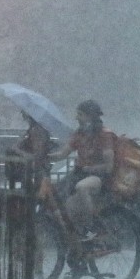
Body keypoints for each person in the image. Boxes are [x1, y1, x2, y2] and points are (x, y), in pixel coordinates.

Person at [49, 99, 115, 238]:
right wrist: (45, 157)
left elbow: (109, 166)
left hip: (99, 177)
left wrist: (90, 168)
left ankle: (92, 228)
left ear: (90, 116)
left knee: (81, 187)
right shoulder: (79, 134)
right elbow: (63, 153)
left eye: (80, 114)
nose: (76, 118)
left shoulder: (104, 134)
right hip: (79, 173)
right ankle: (77, 241)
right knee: (63, 207)